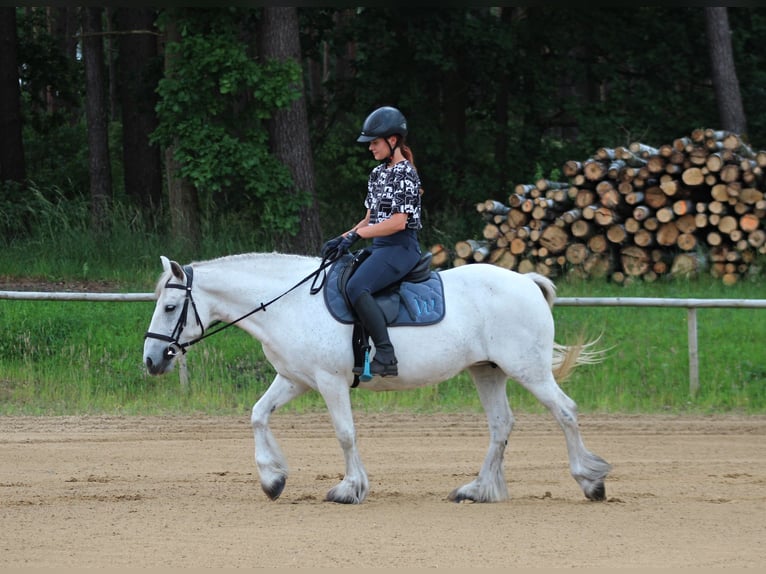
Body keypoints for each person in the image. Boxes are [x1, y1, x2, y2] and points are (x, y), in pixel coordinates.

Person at [321, 106, 423, 378]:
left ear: (393, 140)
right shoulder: (378, 174)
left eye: (374, 143)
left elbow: (399, 222)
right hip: (380, 247)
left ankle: (387, 354)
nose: (370, 148)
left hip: (401, 248)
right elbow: (369, 220)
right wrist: (342, 238)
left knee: (357, 287)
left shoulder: (406, 174)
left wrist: (360, 236)